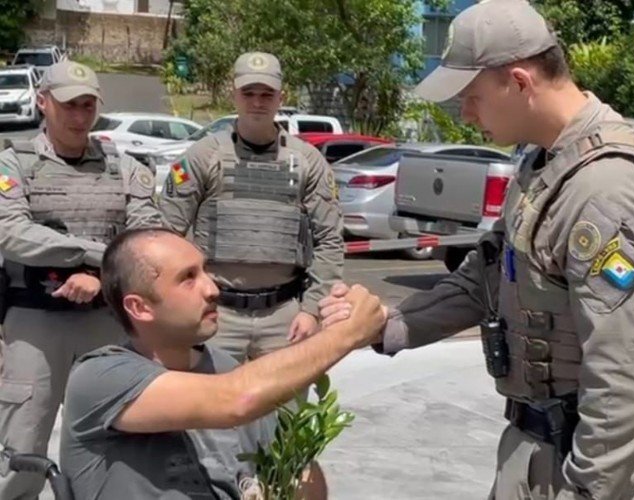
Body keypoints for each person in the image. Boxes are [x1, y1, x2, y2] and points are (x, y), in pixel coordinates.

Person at [320, 1, 634, 499]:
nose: (464, 113)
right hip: (531, 448)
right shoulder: (544, 162)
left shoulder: (606, 187)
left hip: (571, 465)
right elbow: (487, 276)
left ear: (519, 81)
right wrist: (387, 323)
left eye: (471, 96)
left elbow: (628, 381)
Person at [60, 227, 384, 500]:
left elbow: (301, 476)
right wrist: (346, 334)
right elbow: (236, 399)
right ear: (140, 307)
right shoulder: (100, 377)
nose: (213, 289)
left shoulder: (227, 369)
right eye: (188, 278)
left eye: (205, 271)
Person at [0, 60, 162, 499]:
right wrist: (101, 255)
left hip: (105, 320)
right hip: (36, 323)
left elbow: (148, 237)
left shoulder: (125, 168)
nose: (78, 116)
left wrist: (96, 275)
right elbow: (13, 233)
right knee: (22, 445)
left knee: (112, 443)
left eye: (87, 105)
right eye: (68, 105)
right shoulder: (13, 164)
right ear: (42, 102)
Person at [159, 51, 344, 364]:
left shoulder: (308, 162)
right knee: (209, 410)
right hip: (216, 314)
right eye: (248, 93)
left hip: (285, 318)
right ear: (234, 95)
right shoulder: (203, 156)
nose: (257, 102)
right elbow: (165, 237)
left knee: (285, 413)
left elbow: (330, 241)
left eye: (266, 94)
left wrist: (312, 310)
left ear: (280, 97)